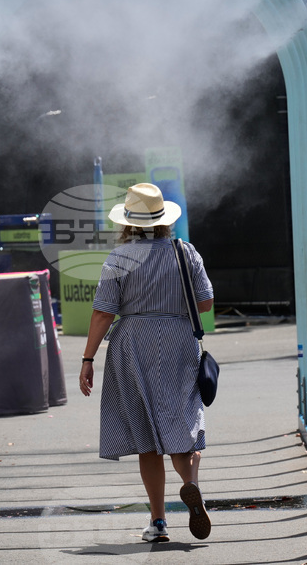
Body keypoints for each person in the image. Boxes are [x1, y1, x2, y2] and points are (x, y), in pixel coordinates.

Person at [79, 182, 214, 543]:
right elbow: (204, 303)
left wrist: (88, 358)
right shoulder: (186, 252)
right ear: (164, 220)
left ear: (127, 223)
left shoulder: (119, 258)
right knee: (181, 424)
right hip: (179, 342)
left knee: (147, 439)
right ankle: (191, 482)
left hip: (133, 346)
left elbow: (103, 313)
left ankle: (158, 523)